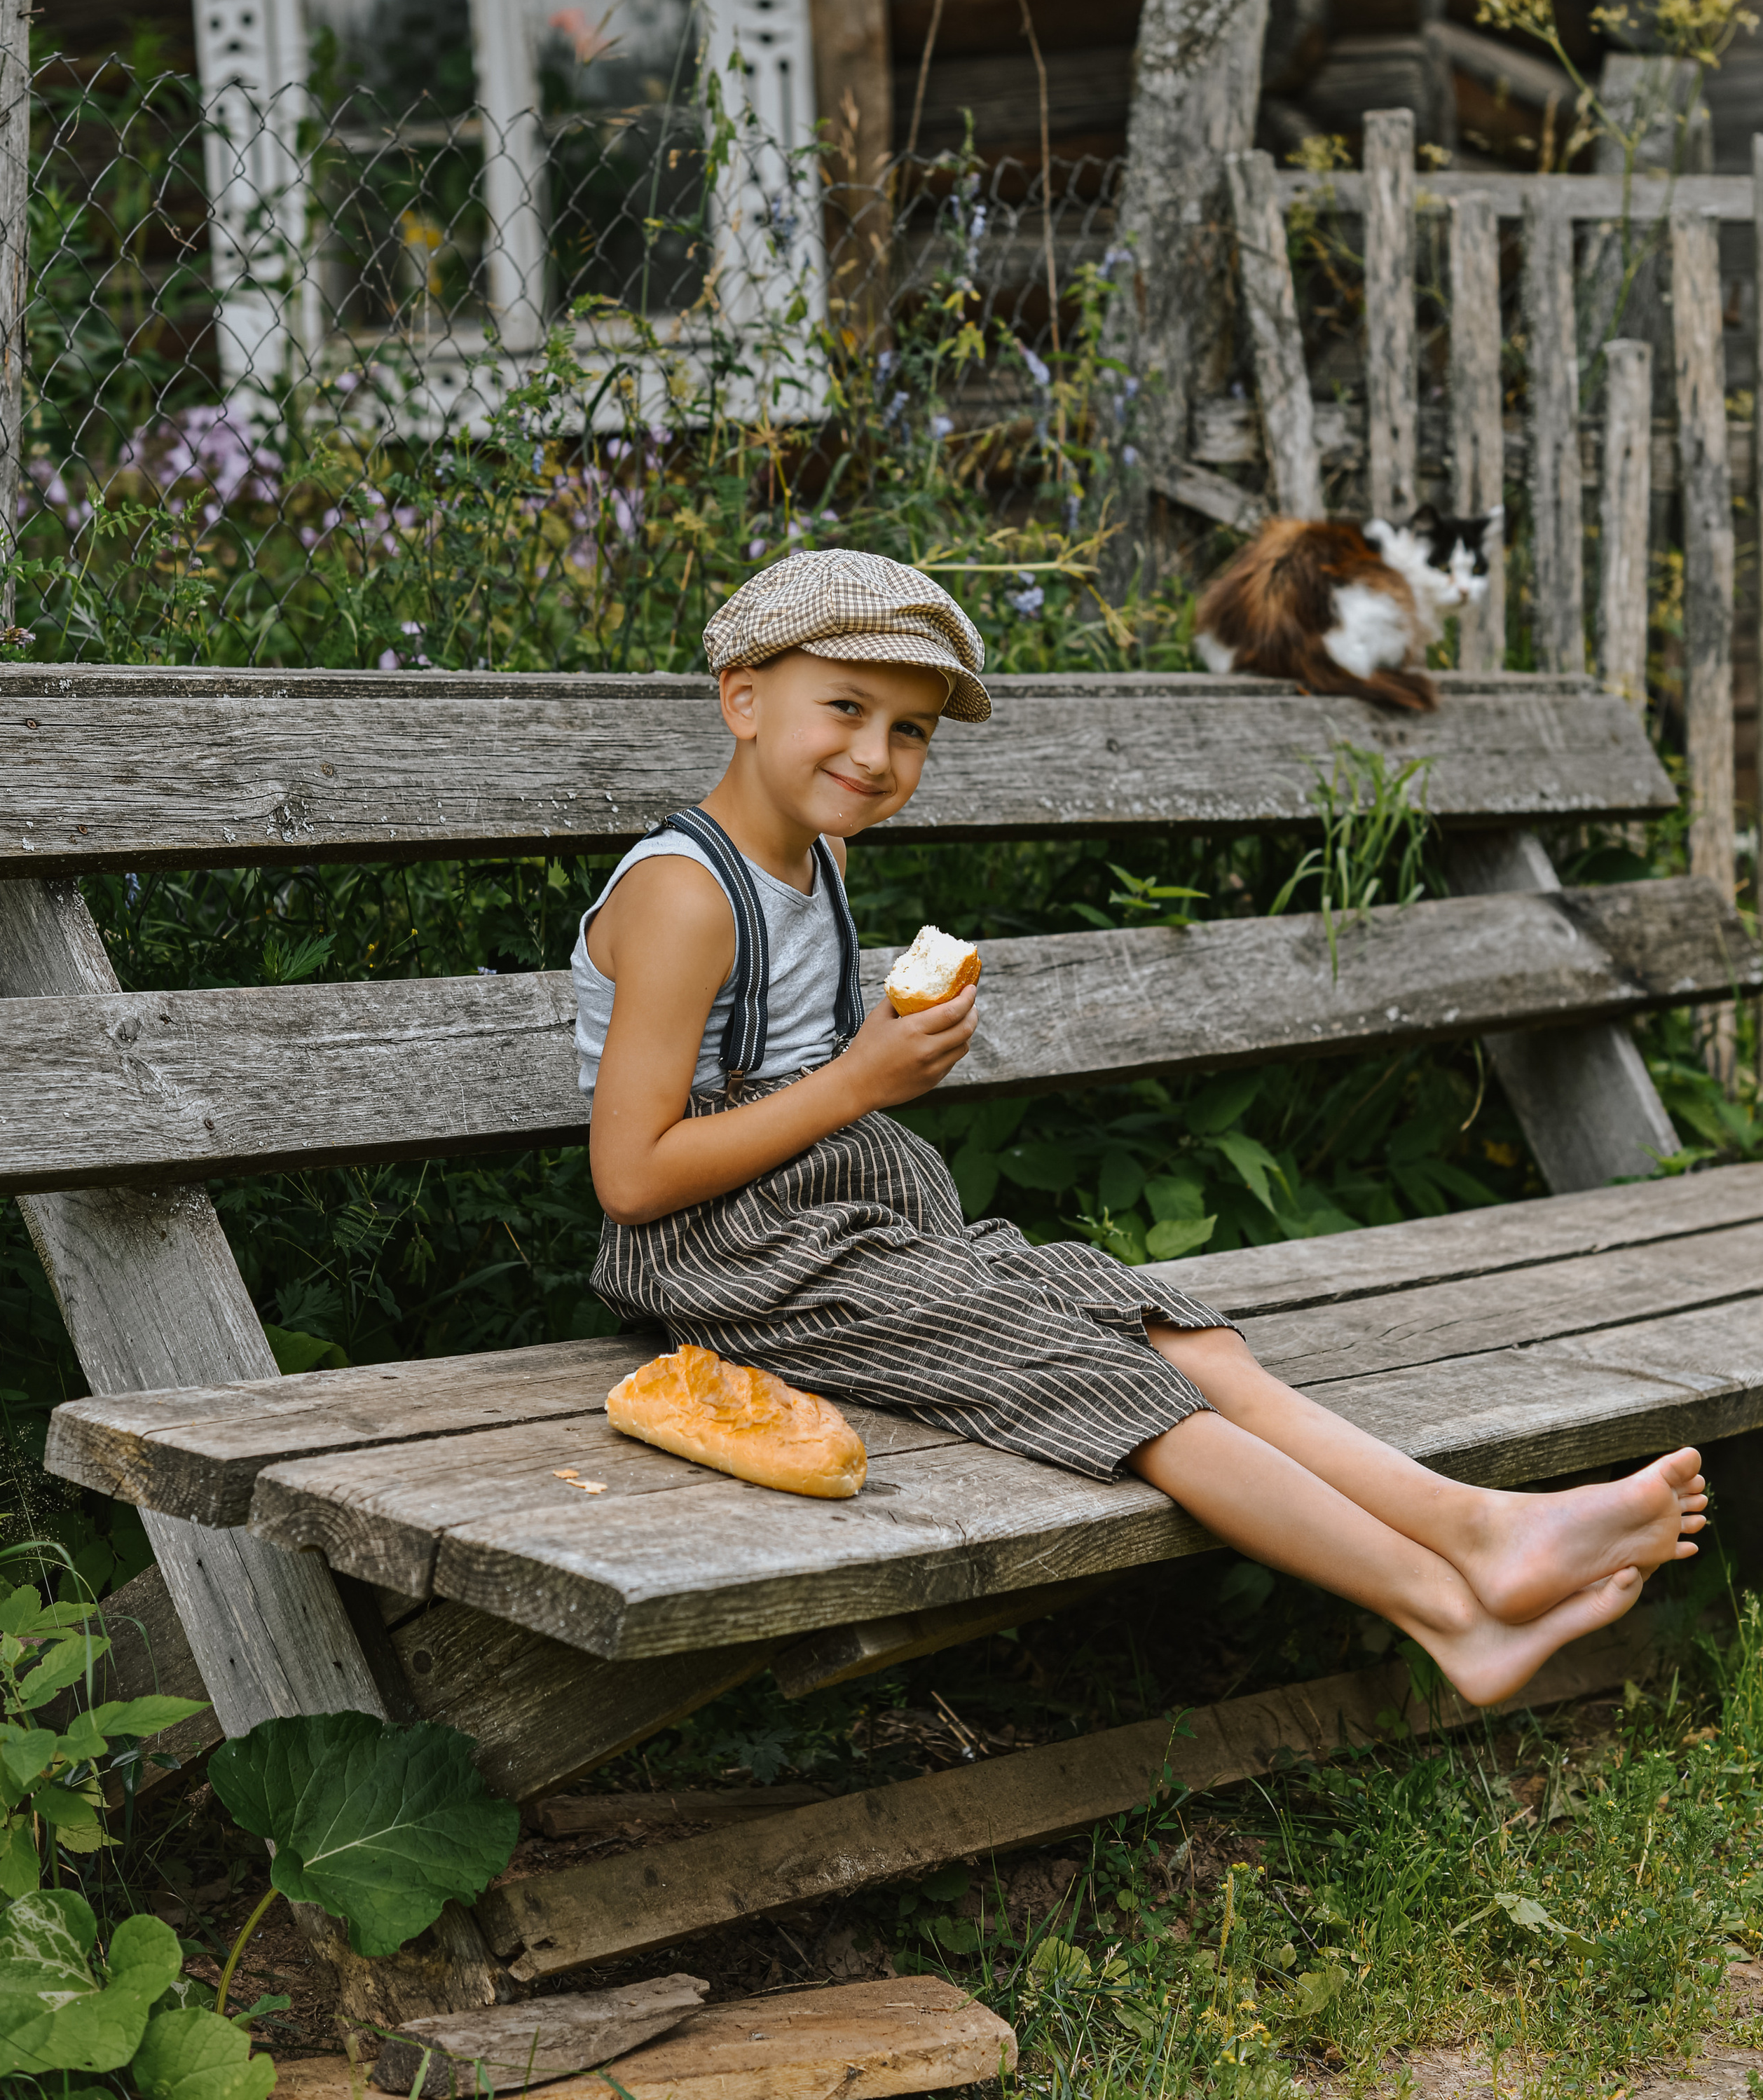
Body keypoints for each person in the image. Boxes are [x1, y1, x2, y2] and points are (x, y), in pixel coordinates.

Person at [573, 549, 1705, 1705]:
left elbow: (795, 1079)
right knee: (1093, 1374)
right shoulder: (687, 896)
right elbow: (631, 1179)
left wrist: (867, 1069)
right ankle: (1446, 1614)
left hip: (846, 1229)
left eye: (911, 730)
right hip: (732, 1260)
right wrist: (860, 1081)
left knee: (1171, 1334)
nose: (876, 755)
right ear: (744, 699)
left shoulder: (820, 856)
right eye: (847, 708)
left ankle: (1480, 1533)